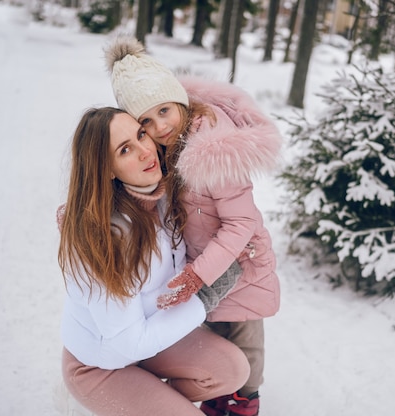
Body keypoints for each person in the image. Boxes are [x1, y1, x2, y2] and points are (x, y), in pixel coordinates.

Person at [104, 36, 282, 416]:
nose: (159, 125)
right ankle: (222, 392)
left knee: (245, 337)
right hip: (206, 263)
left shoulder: (212, 149)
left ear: (179, 100)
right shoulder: (167, 148)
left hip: (242, 264)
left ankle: (245, 399)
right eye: (146, 121)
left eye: (165, 110)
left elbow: (241, 221)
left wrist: (200, 273)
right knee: (214, 334)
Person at [57, 106, 250, 416]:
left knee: (232, 369)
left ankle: (150, 398)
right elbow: (130, 343)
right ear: (106, 169)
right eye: (125, 149)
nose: (146, 151)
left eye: (141, 135)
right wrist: (206, 296)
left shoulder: (161, 196)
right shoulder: (103, 239)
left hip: (150, 343)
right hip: (100, 364)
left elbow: (175, 104)